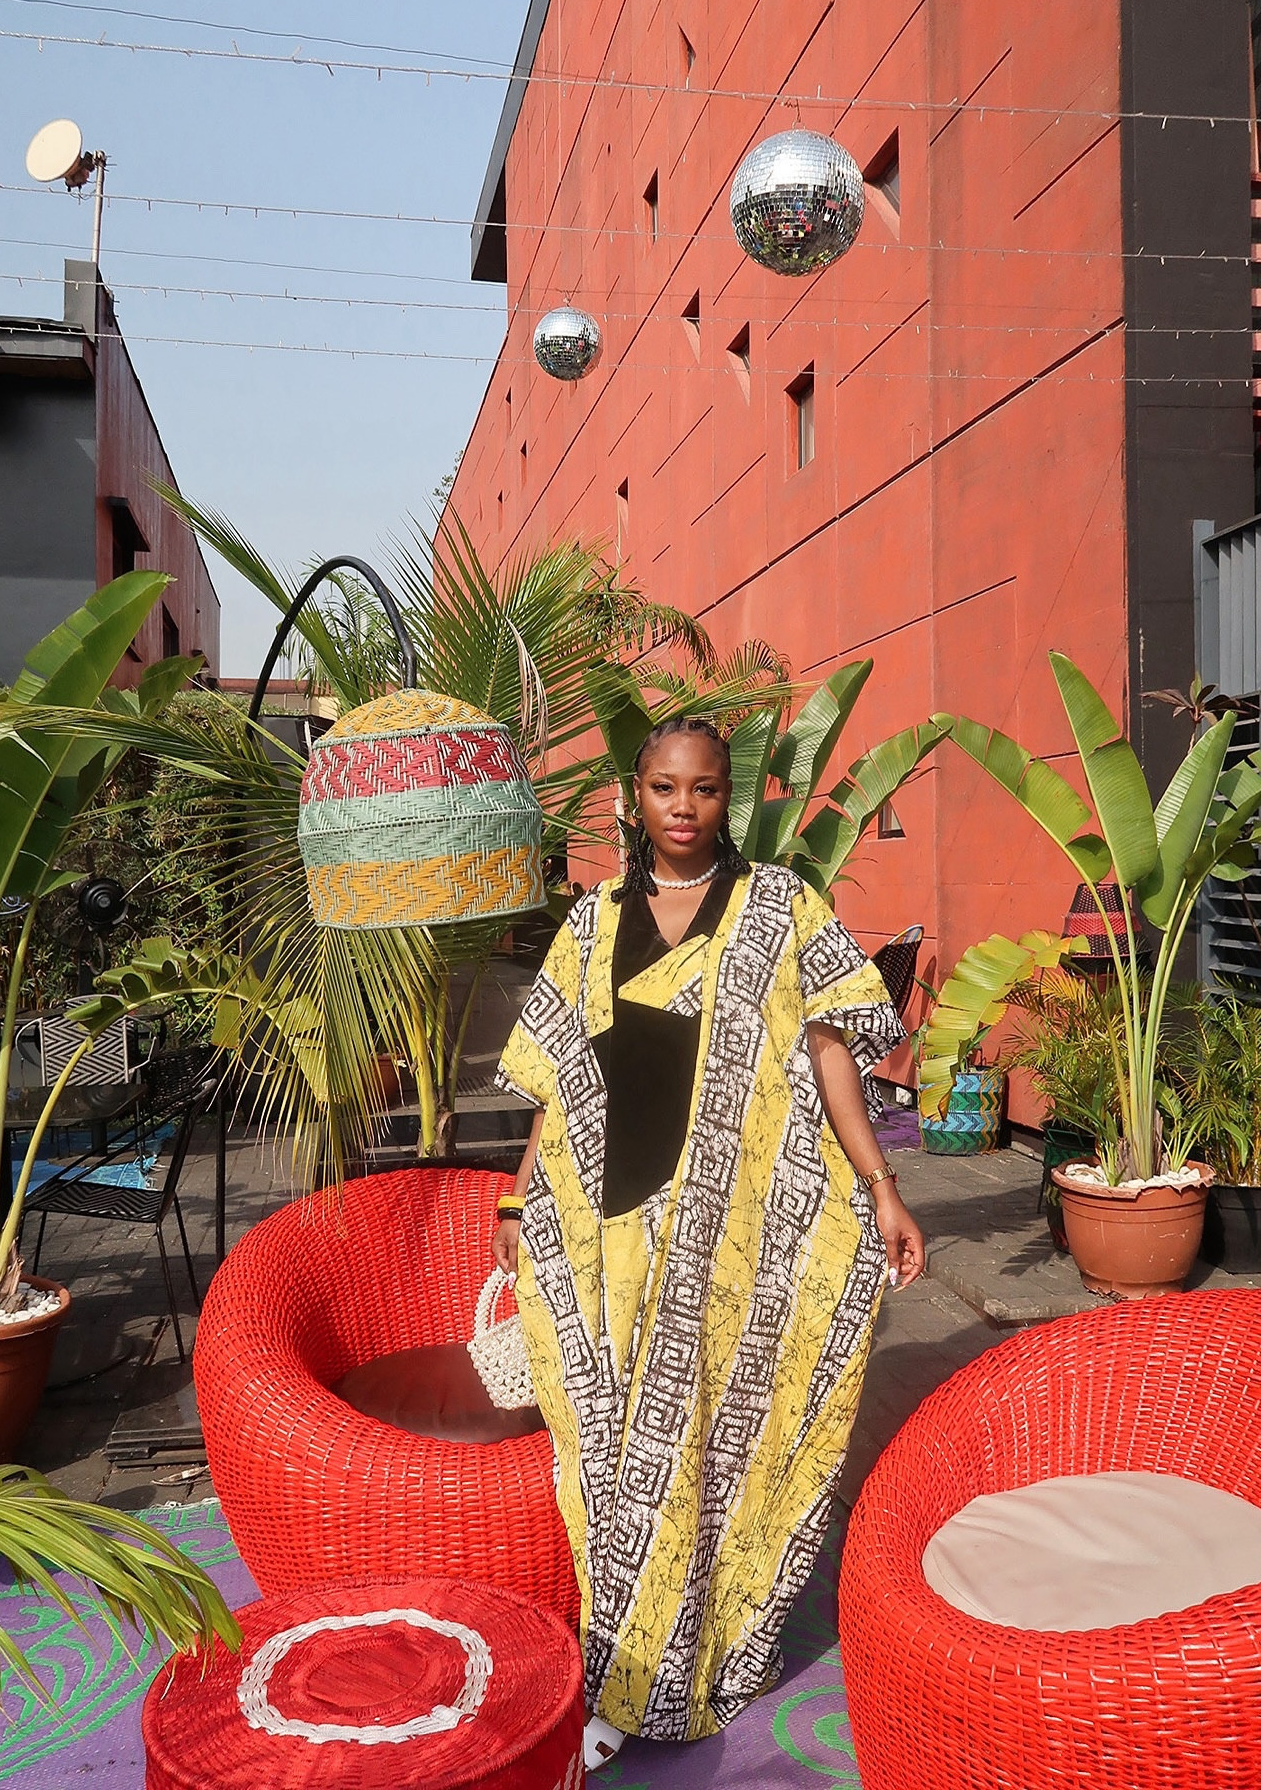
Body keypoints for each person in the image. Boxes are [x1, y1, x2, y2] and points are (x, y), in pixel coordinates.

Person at [494, 716, 925, 1766]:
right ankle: (624, 1674)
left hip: (735, 1246)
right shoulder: (591, 921)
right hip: (607, 1239)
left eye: (704, 789)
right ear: (631, 796)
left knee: (726, 1448)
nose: (683, 807)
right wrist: (516, 1203)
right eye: (663, 788)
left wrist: (881, 1185)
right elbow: (555, 1079)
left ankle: (721, 1657)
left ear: (728, 796)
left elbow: (831, 1053)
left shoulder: (781, 907)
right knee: (610, 1457)